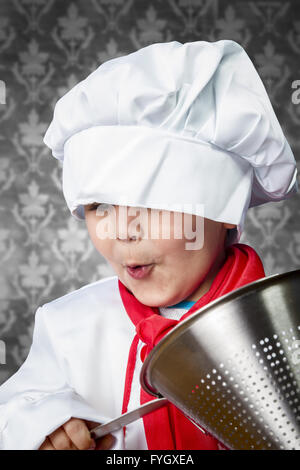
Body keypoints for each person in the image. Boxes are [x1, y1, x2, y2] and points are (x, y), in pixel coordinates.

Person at [0, 39, 298, 450]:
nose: (123, 230)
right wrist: (43, 428)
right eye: (100, 204)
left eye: (153, 202)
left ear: (224, 208)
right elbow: (14, 413)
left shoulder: (289, 322)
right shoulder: (67, 327)